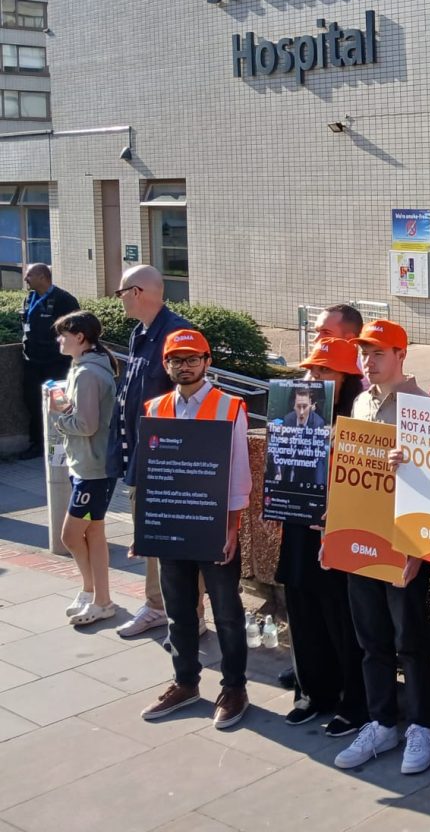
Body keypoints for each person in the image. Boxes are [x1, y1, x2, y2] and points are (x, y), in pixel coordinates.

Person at [334, 320, 430, 776]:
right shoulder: (360, 400)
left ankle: (421, 725)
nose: (368, 361)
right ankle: (381, 722)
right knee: (371, 639)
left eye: (377, 353)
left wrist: (417, 551)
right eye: (363, 353)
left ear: (401, 355)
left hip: (403, 542)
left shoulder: (423, 406)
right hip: (362, 539)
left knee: (409, 640)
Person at [139, 330, 252, 729]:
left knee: (227, 612)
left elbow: (240, 473)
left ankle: (235, 687)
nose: (184, 365)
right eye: (176, 359)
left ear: (207, 362)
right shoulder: (155, 406)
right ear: (166, 364)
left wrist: (233, 528)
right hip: (172, 526)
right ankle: (185, 682)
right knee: (179, 612)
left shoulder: (230, 406)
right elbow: (151, 474)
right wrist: (146, 530)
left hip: (213, 526)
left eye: (192, 358)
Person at [278, 336, 368, 737]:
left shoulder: (360, 418)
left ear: (347, 377)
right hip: (298, 525)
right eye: (311, 370)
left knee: (341, 619)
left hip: (340, 531)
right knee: (301, 609)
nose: (314, 377)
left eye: (325, 370)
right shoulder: (293, 414)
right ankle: (311, 692)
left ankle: (353, 700)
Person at [106, 265, 192, 638]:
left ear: (137, 292)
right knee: (150, 535)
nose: (120, 298)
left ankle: (184, 611)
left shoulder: (176, 334)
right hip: (141, 453)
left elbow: (191, 398)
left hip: (168, 458)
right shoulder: (140, 334)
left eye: (121, 291)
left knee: (171, 536)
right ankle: (158, 606)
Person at [51, 311, 118, 626]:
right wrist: (67, 409)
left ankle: (98, 596)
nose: (59, 340)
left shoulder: (88, 373)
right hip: (92, 466)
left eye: (63, 334)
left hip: (92, 469)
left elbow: (87, 424)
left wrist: (59, 417)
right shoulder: (89, 368)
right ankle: (96, 596)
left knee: (71, 535)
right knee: (94, 534)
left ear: (80, 337)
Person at [20, 263, 79, 458]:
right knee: (33, 401)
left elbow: (75, 329)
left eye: (29, 275)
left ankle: (64, 442)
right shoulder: (30, 297)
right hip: (32, 361)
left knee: (60, 403)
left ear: (42, 276)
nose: (26, 279)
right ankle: (37, 443)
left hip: (55, 364)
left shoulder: (64, 300)